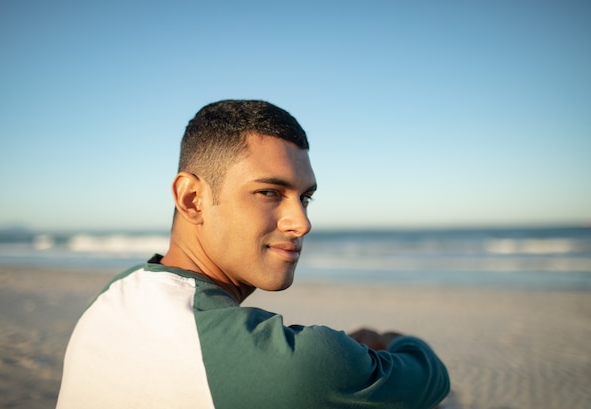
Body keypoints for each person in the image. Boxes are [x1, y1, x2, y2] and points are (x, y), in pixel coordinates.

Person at [56, 100, 450, 409]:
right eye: (269, 193)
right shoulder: (301, 361)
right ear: (192, 199)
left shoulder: (116, 296)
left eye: (305, 198)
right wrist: (390, 342)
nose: (302, 223)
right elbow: (431, 376)